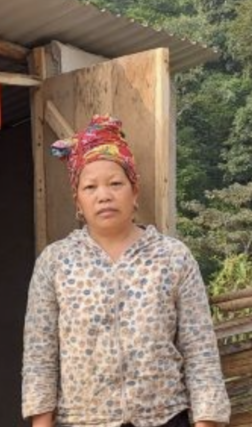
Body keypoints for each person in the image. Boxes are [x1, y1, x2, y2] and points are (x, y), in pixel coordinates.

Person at [21, 115, 230, 427]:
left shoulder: (172, 258)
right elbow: (40, 353)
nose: (104, 195)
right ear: (77, 200)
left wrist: (207, 422)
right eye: (89, 186)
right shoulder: (55, 262)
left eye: (116, 183)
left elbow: (199, 348)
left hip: (165, 418)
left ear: (134, 192)